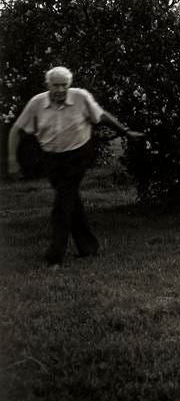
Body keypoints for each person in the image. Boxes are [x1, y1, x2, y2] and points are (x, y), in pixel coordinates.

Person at [9, 66, 144, 267]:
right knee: (71, 202)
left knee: (62, 204)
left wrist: (125, 132)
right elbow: (16, 130)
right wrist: (12, 159)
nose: (60, 90)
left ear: (69, 85)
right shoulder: (37, 103)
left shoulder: (80, 97)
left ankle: (54, 257)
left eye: (64, 85)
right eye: (56, 85)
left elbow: (102, 116)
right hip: (52, 158)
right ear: (48, 85)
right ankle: (88, 247)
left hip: (78, 155)